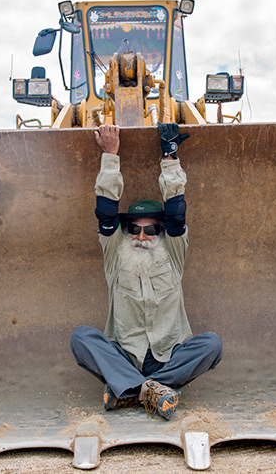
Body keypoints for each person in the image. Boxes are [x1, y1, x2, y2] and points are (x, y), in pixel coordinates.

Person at [70, 123, 222, 420]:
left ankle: (129, 391)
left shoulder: (174, 254)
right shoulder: (115, 254)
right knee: (81, 338)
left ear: (161, 232)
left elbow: (177, 208)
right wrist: (110, 155)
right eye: (134, 230)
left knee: (211, 345)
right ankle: (152, 390)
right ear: (125, 232)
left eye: (151, 230)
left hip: (167, 358)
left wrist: (170, 158)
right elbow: (106, 210)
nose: (141, 237)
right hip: (125, 358)